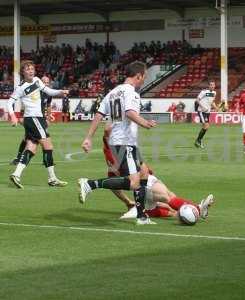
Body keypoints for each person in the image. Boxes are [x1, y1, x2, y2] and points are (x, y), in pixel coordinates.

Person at [78, 61, 157, 225]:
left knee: (143, 173)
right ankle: (91, 184)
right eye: (144, 76)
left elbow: (99, 115)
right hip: (123, 142)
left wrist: (88, 137)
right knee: (134, 182)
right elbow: (129, 112)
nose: (144, 80)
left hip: (123, 142)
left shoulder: (113, 92)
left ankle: (142, 216)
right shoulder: (132, 93)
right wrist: (145, 123)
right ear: (138, 76)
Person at [100, 124, 214, 221]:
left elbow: (111, 182)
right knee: (168, 198)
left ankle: (143, 211)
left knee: (166, 202)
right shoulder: (117, 149)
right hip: (145, 183)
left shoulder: (111, 154)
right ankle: (198, 209)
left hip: (145, 183)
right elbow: (107, 130)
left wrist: (127, 201)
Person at [7, 61, 69, 189]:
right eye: (28, 69)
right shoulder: (21, 88)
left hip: (37, 119)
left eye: (32, 69)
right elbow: (9, 103)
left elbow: (48, 91)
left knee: (31, 147)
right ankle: (52, 178)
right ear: (23, 72)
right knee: (48, 145)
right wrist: (13, 116)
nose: (31, 71)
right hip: (33, 118)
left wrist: (60, 92)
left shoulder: (37, 80)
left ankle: (16, 174)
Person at [11, 75, 53, 165]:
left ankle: (46, 160)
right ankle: (18, 158)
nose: (46, 84)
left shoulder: (48, 93)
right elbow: (25, 104)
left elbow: (48, 106)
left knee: (43, 138)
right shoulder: (34, 91)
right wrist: (22, 116)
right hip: (32, 118)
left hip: (42, 119)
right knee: (28, 138)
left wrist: (48, 118)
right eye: (44, 82)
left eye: (47, 82)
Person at [194, 80, 217, 149]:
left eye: (213, 85)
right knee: (206, 126)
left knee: (206, 127)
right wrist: (203, 107)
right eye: (211, 85)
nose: (212, 86)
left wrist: (216, 107)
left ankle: (198, 140)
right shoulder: (204, 92)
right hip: (201, 111)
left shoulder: (214, 93)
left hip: (208, 112)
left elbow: (212, 102)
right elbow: (197, 100)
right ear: (209, 86)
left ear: (214, 86)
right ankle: (198, 140)